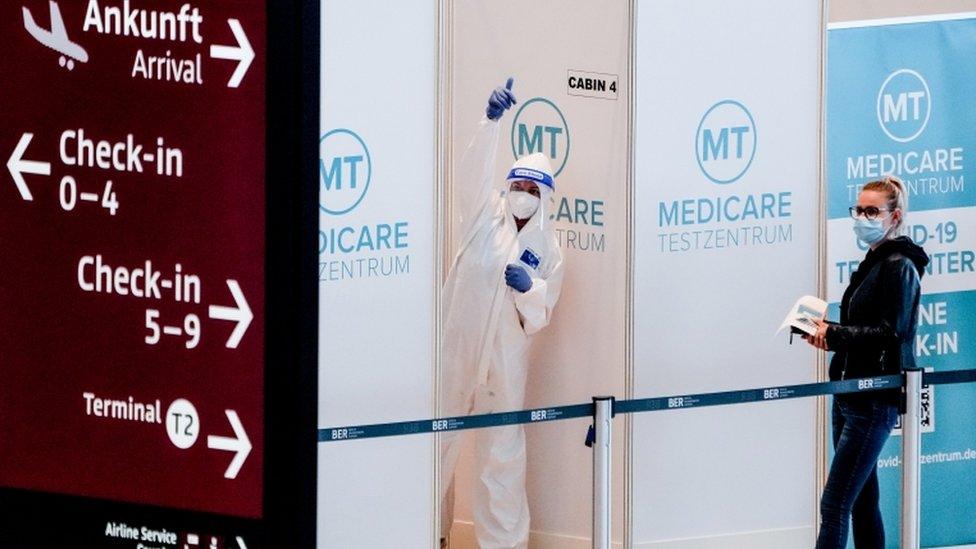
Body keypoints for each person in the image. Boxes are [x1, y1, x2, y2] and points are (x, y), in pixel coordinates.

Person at [439, 77, 565, 549]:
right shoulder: (482, 216)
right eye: (517, 184)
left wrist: (531, 289)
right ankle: (426, 535)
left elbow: (543, 313)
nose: (522, 193)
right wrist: (490, 123)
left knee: (500, 464)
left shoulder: (548, 249)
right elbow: (472, 172)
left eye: (532, 188)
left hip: (502, 369)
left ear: (545, 196)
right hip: (457, 351)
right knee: (437, 449)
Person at [805, 175, 929, 549]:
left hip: (873, 400)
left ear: (895, 216)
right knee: (860, 501)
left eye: (872, 210)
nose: (862, 217)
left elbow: (892, 334)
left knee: (834, 503)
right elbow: (865, 330)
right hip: (848, 394)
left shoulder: (898, 265)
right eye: (858, 209)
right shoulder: (873, 262)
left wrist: (837, 334)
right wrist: (827, 336)